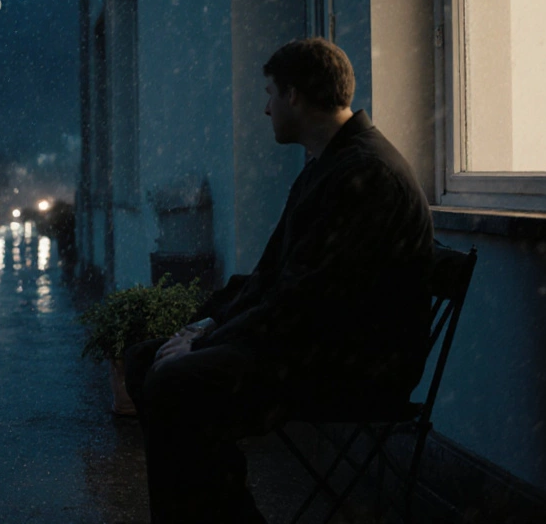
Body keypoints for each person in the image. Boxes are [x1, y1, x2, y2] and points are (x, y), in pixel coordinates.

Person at [124, 37, 434, 522]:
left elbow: (308, 299)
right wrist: (200, 326)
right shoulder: (331, 165)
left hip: (352, 363)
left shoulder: (365, 173)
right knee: (147, 360)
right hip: (312, 343)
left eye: (269, 93)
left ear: (294, 96)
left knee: (175, 384)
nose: (265, 109)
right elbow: (273, 277)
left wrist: (205, 342)